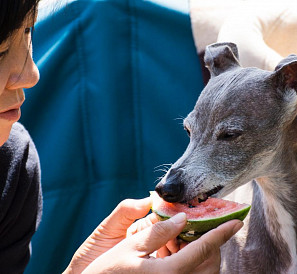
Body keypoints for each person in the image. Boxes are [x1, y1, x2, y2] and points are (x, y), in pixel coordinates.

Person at [0, 0, 243, 273]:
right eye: (1, 52)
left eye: (27, 32)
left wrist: (78, 269)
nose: (31, 75)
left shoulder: (15, 162)